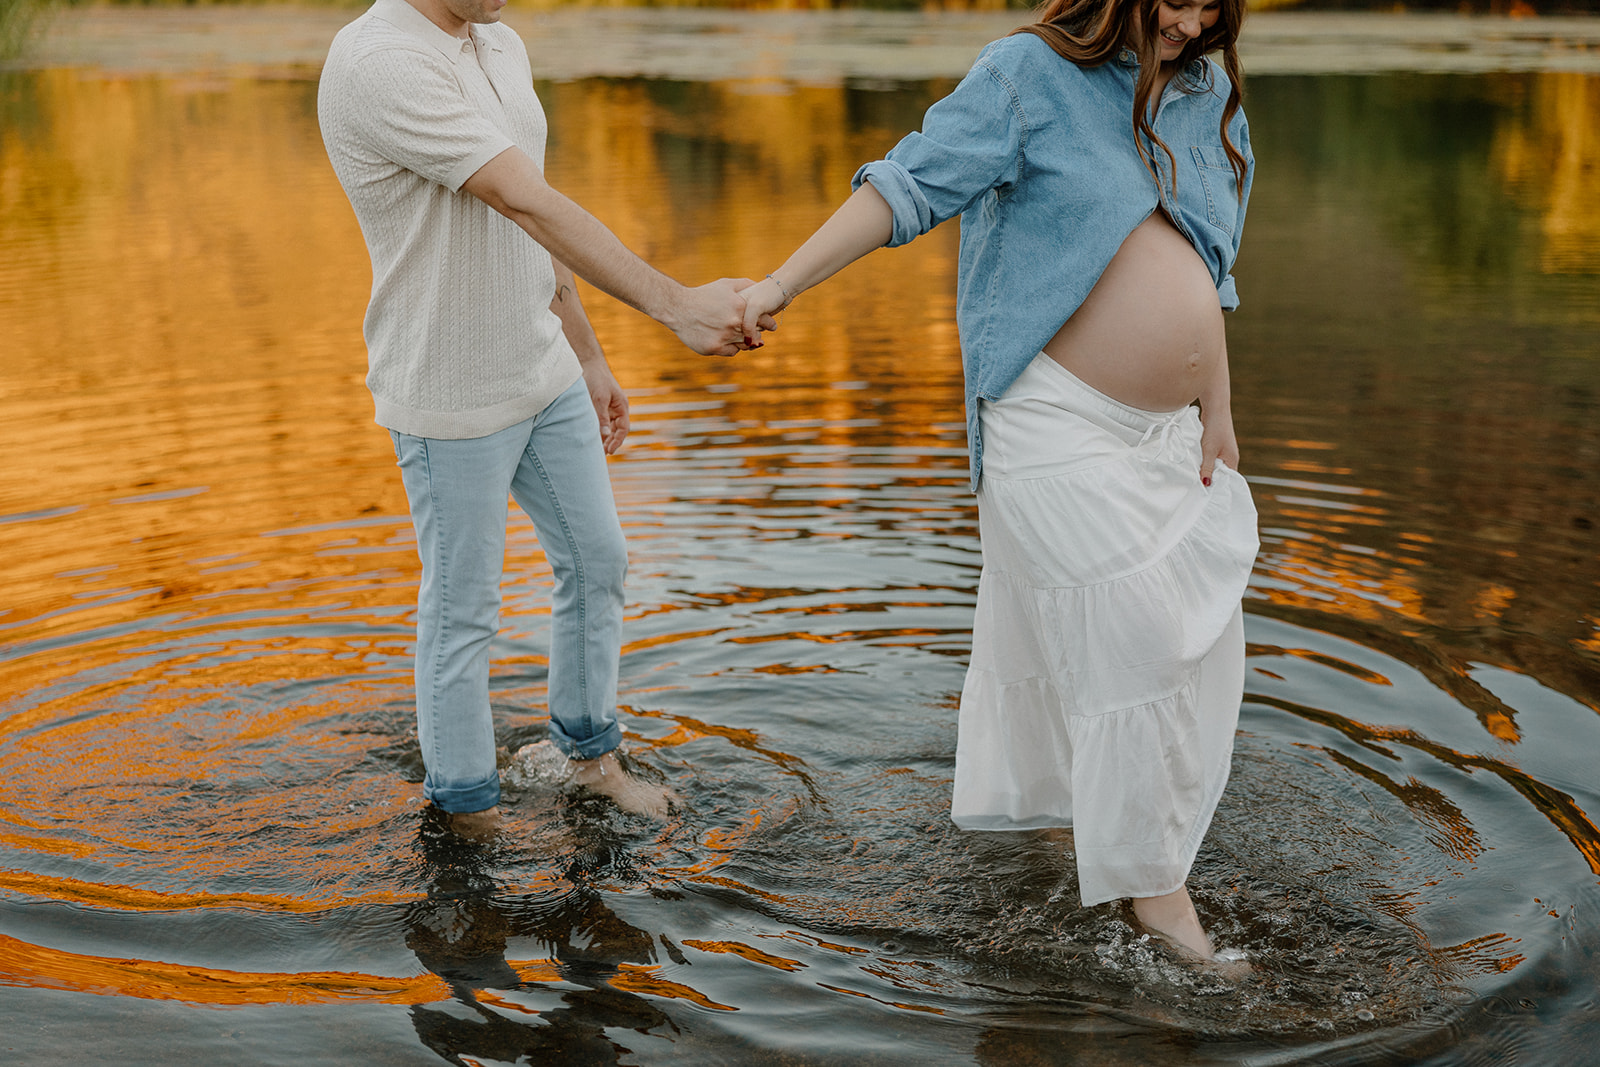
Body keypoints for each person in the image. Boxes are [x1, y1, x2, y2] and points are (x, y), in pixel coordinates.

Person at [738, 0, 1259, 960]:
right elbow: (905, 188)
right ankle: (1158, 896)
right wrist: (777, 284)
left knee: (1191, 644)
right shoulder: (1029, 75)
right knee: (1140, 642)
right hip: (1049, 422)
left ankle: (1075, 841)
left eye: (1211, 7)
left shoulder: (1206, 91)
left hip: (1162, 434)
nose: (1189, 23)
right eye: (1174, 1)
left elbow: (1207, 267)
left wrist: (1215, 409)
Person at [317, 0, 771, 837]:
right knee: (464, 614)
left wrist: (587, 354)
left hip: (544, 368)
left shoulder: (499, 41)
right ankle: (468, 817)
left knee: (598, 560)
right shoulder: (376, 61)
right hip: (451, 392)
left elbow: (533, 218)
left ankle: (592, 762)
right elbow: (521, 197)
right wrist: (672, 305)